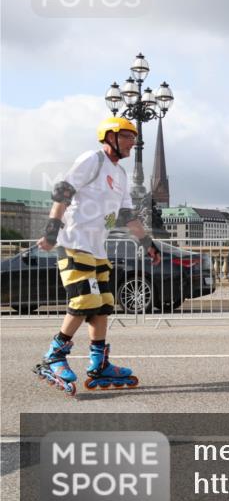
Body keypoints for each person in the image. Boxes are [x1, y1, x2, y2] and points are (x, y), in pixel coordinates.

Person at [33, 116, 161, 396]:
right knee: (84, 301)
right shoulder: (93, 160)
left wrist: (147, 243)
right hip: (74, 242)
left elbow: (127, 215)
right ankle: (54, 355)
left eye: (134, 138)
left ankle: (99, 364)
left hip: (97, 248)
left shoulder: (121, 175)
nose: (133, 142)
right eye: (127, 136)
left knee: (103, 305)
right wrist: (52, 231)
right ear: (110, 137)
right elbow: (63, 191)